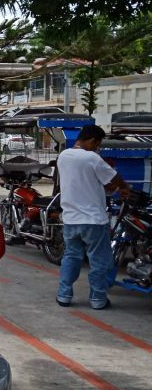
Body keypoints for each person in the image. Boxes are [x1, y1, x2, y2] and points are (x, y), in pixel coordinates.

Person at [55, 125, 130, 309]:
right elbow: (114, 177)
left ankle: (64, 295)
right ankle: (97, 299)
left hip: (71, 220)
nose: (98, 148)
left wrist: (107, 188)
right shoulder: (92, 158)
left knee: (71, 257)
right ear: (92, 140)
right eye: (98, 144)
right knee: (99, 261)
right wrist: (124, 188)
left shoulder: (63, 156)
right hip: (93, 221)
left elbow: (85, 181)